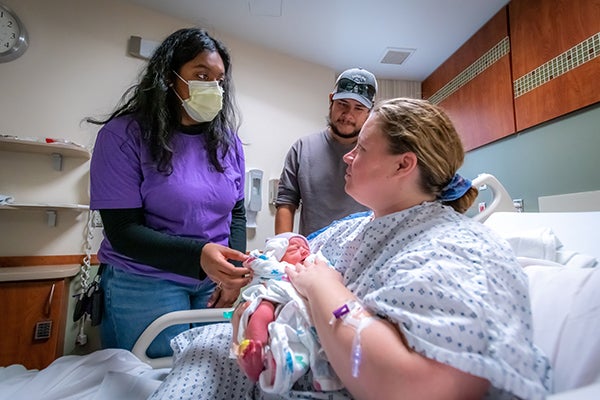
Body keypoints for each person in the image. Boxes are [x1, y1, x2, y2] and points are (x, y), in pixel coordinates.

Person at [150, 98, 551, 399]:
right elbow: (277, 280)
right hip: (255, 366)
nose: (349, 155)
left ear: (402, 165)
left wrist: (323, 287)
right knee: (207, 348)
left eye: (362, 148)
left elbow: (411, 387)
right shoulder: (353, 230)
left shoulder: (459, 249)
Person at [88, 27, 251, 358]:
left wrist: (233, 276)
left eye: (219, 80)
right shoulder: (123, 136)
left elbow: (236, 211)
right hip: (145, 282)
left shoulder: (227, 142)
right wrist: (198, 255)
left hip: (213, 284)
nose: (214, 88)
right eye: (201, 75)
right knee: (152, 383)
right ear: (168, 77)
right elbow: (123, 232)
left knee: (209, 379)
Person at [274, 68, 377, 236]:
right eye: (342, 104)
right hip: (310, 255)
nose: (348, 115)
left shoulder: (378, 154)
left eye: (358, 108)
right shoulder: (302, 149)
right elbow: (286, 202)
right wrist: (281, 247)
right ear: (331, 100)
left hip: (362, 254)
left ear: (370, 112)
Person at [234, 233, 341, 393]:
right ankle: (254, 347)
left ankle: (285, 366)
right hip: (275, 296)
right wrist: (257, 258)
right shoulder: (275, 265)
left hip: (300, 304)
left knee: (308, 336)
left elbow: (328, 271)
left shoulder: (311, 262)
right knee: (263, 311)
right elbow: (259, 263)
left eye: (305, 247)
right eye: (295, 248)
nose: (303, 250)